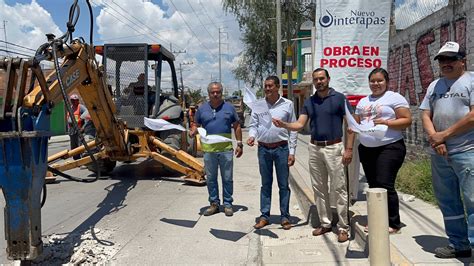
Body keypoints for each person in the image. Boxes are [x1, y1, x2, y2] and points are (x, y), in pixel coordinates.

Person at [273, 68, 354, 242]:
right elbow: (300, 124)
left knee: (339, 188)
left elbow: (351, 125)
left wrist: (349, 149)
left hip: (334, 147)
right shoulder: (309, 102)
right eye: (316, 79)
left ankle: (343, 227)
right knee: (319, 188)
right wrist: (284, 125)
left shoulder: (340, 99)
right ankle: (325, 223)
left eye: (322, 78)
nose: (319, 82)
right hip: (314, 148)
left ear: (328, 79)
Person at [419, 41, 473, 259]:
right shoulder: (434, 85)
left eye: (451, 59)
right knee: (448, 201)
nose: (446, 63)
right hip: (439, 153)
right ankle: (458, 244)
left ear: (462, 60)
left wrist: (445, 135)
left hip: (467, 151)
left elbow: (472, 116)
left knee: (472, 200)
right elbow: (425, 114)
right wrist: (436, 139)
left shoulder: (471, 81)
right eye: (442, 59)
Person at [353, 68, 412, 234]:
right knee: (373, 186)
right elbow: (355, 125)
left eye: (379, 80)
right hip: (366, 148)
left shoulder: (394, 97)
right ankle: (377, 220)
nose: (375, 84)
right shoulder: (363, 101)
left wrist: (387, 123)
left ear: (387, 82)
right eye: (372, 81)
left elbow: (407, 120)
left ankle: (393, 223)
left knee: (385, 184)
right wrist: (350, 147)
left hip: (390, 147)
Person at [247, 76, 297, 231]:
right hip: (263, 149)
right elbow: (253, 125)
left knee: (283, 185)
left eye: (270, 86)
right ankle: (264, 216)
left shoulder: (287, 105)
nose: (267, 89)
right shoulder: (259, 105)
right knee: (265, 184)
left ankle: (285, 217)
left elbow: (293, 129)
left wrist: (292, 151)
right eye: (265, 86)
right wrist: (251, 136)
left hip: (282, 149)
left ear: (277, 87)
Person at [189, 82, 243, 217]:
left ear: (221, 92)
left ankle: (228, 204)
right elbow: (196, 124)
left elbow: (236, 126)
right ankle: (214, 204)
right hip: (209, 151)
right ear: (208, 94)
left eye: (218, 92)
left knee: (227, 178)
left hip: (226, 150)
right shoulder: (202, 109)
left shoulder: (229, 108)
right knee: (211, 179)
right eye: (213, 92)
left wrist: (240, 144)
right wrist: (193, 130)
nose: (215, 94)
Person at [67, 94, 87, 160]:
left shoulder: (81, 107)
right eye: (71, 100)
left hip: (79, 130)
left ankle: (82, 159)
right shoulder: (71, 107)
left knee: (80, 145)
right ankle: (76, 159)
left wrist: (81, 119)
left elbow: (87, 112)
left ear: (77, 100)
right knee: (73, 146)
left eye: (74, 100)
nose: (72, 101)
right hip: (72, 131)